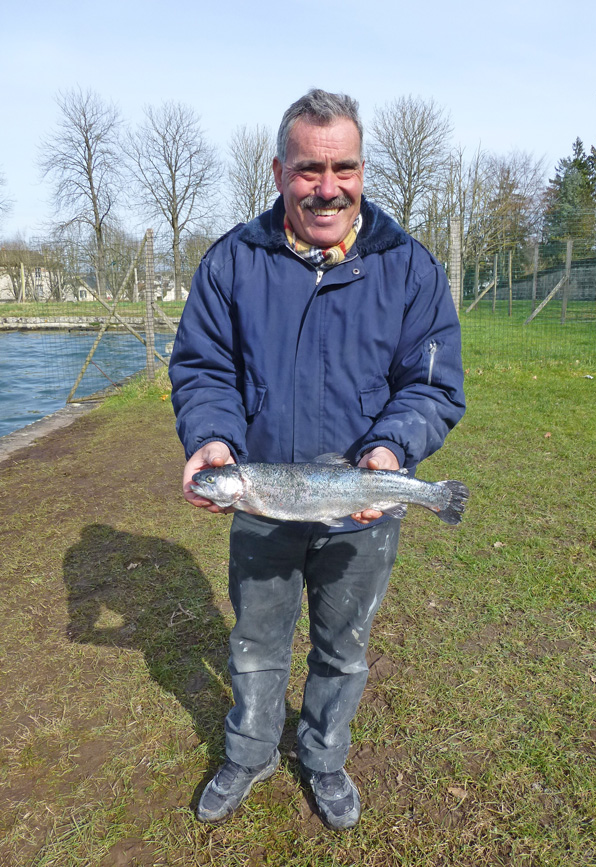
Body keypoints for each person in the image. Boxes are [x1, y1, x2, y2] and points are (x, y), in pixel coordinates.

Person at [168, 89, 465, 830]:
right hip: (263, 493)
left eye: (343, 167)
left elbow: (430, 383)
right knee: (255, 642)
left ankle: (325, 758)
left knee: (345, 645)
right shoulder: (234, 262)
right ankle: (250, 749)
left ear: (362, 169)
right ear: (278, 172)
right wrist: (211, 441)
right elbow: (204, 368)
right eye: (308, 168)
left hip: (360, 498)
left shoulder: (408, 267)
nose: (326, 186)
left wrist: (391, 450)